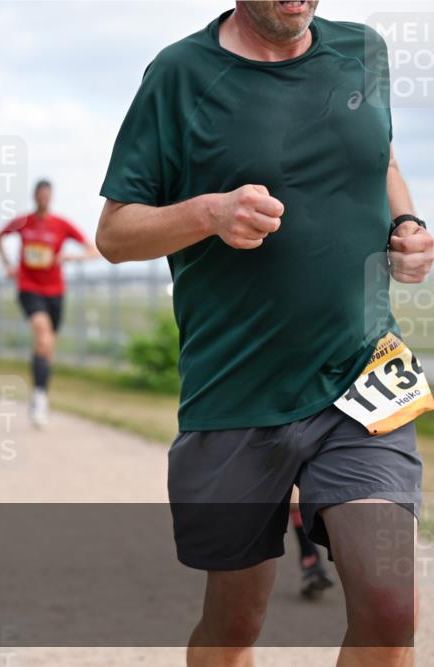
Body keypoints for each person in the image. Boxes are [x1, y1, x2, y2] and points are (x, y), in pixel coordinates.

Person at [96, 2, 432, 665]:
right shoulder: (181, 74)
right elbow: (114, 233)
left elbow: (381, 157)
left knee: (390, 609)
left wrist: (408, 227)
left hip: (363, 372)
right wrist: (209, 211)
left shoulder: (362, 49)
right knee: (235, 622)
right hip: (237, 390)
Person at [0, 180, 98, 427]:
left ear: (50, 197)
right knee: (42, 335)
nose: (43, 198)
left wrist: (70, 256)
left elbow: (94, 250)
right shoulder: (24, 222)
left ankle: (39, 392)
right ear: (34, 196)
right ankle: (40, 398)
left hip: (55, 291)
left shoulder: (61, 224)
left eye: (47, 195)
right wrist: (8, 265)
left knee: (48, 346)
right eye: (39, 194)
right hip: (29, 288)